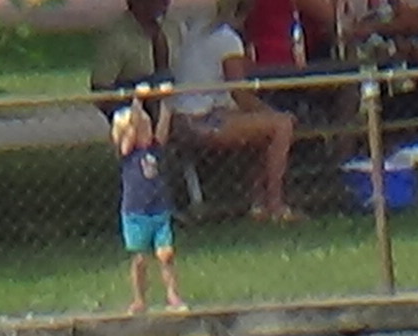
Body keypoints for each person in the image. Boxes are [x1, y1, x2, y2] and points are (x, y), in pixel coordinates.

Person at [172, 0, 302, 222]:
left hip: (182, 118)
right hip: (202, 120)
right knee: (282, 125)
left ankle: (257, 202)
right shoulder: (227, 39)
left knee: (262, 127)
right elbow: (239, 93)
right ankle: (275, 205)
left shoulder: (196, 32)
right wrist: (272, 113)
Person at [112, 95, 186, 314]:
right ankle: (139, 299)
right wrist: (137, 102)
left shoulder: (154, 148)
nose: (148, 131)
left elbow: (163, 128)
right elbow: (132, 129)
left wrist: (166, 104)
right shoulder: (128, 153)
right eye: (142, 128)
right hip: (136, 213)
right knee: (140, 258)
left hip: (159, 210)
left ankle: (173, 294)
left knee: (166, 254)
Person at [91, 0, 174, 114]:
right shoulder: (117, 36)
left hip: (170, 104)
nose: (165, 2)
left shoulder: (173, 29)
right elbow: (101, 88)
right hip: (131, 106)